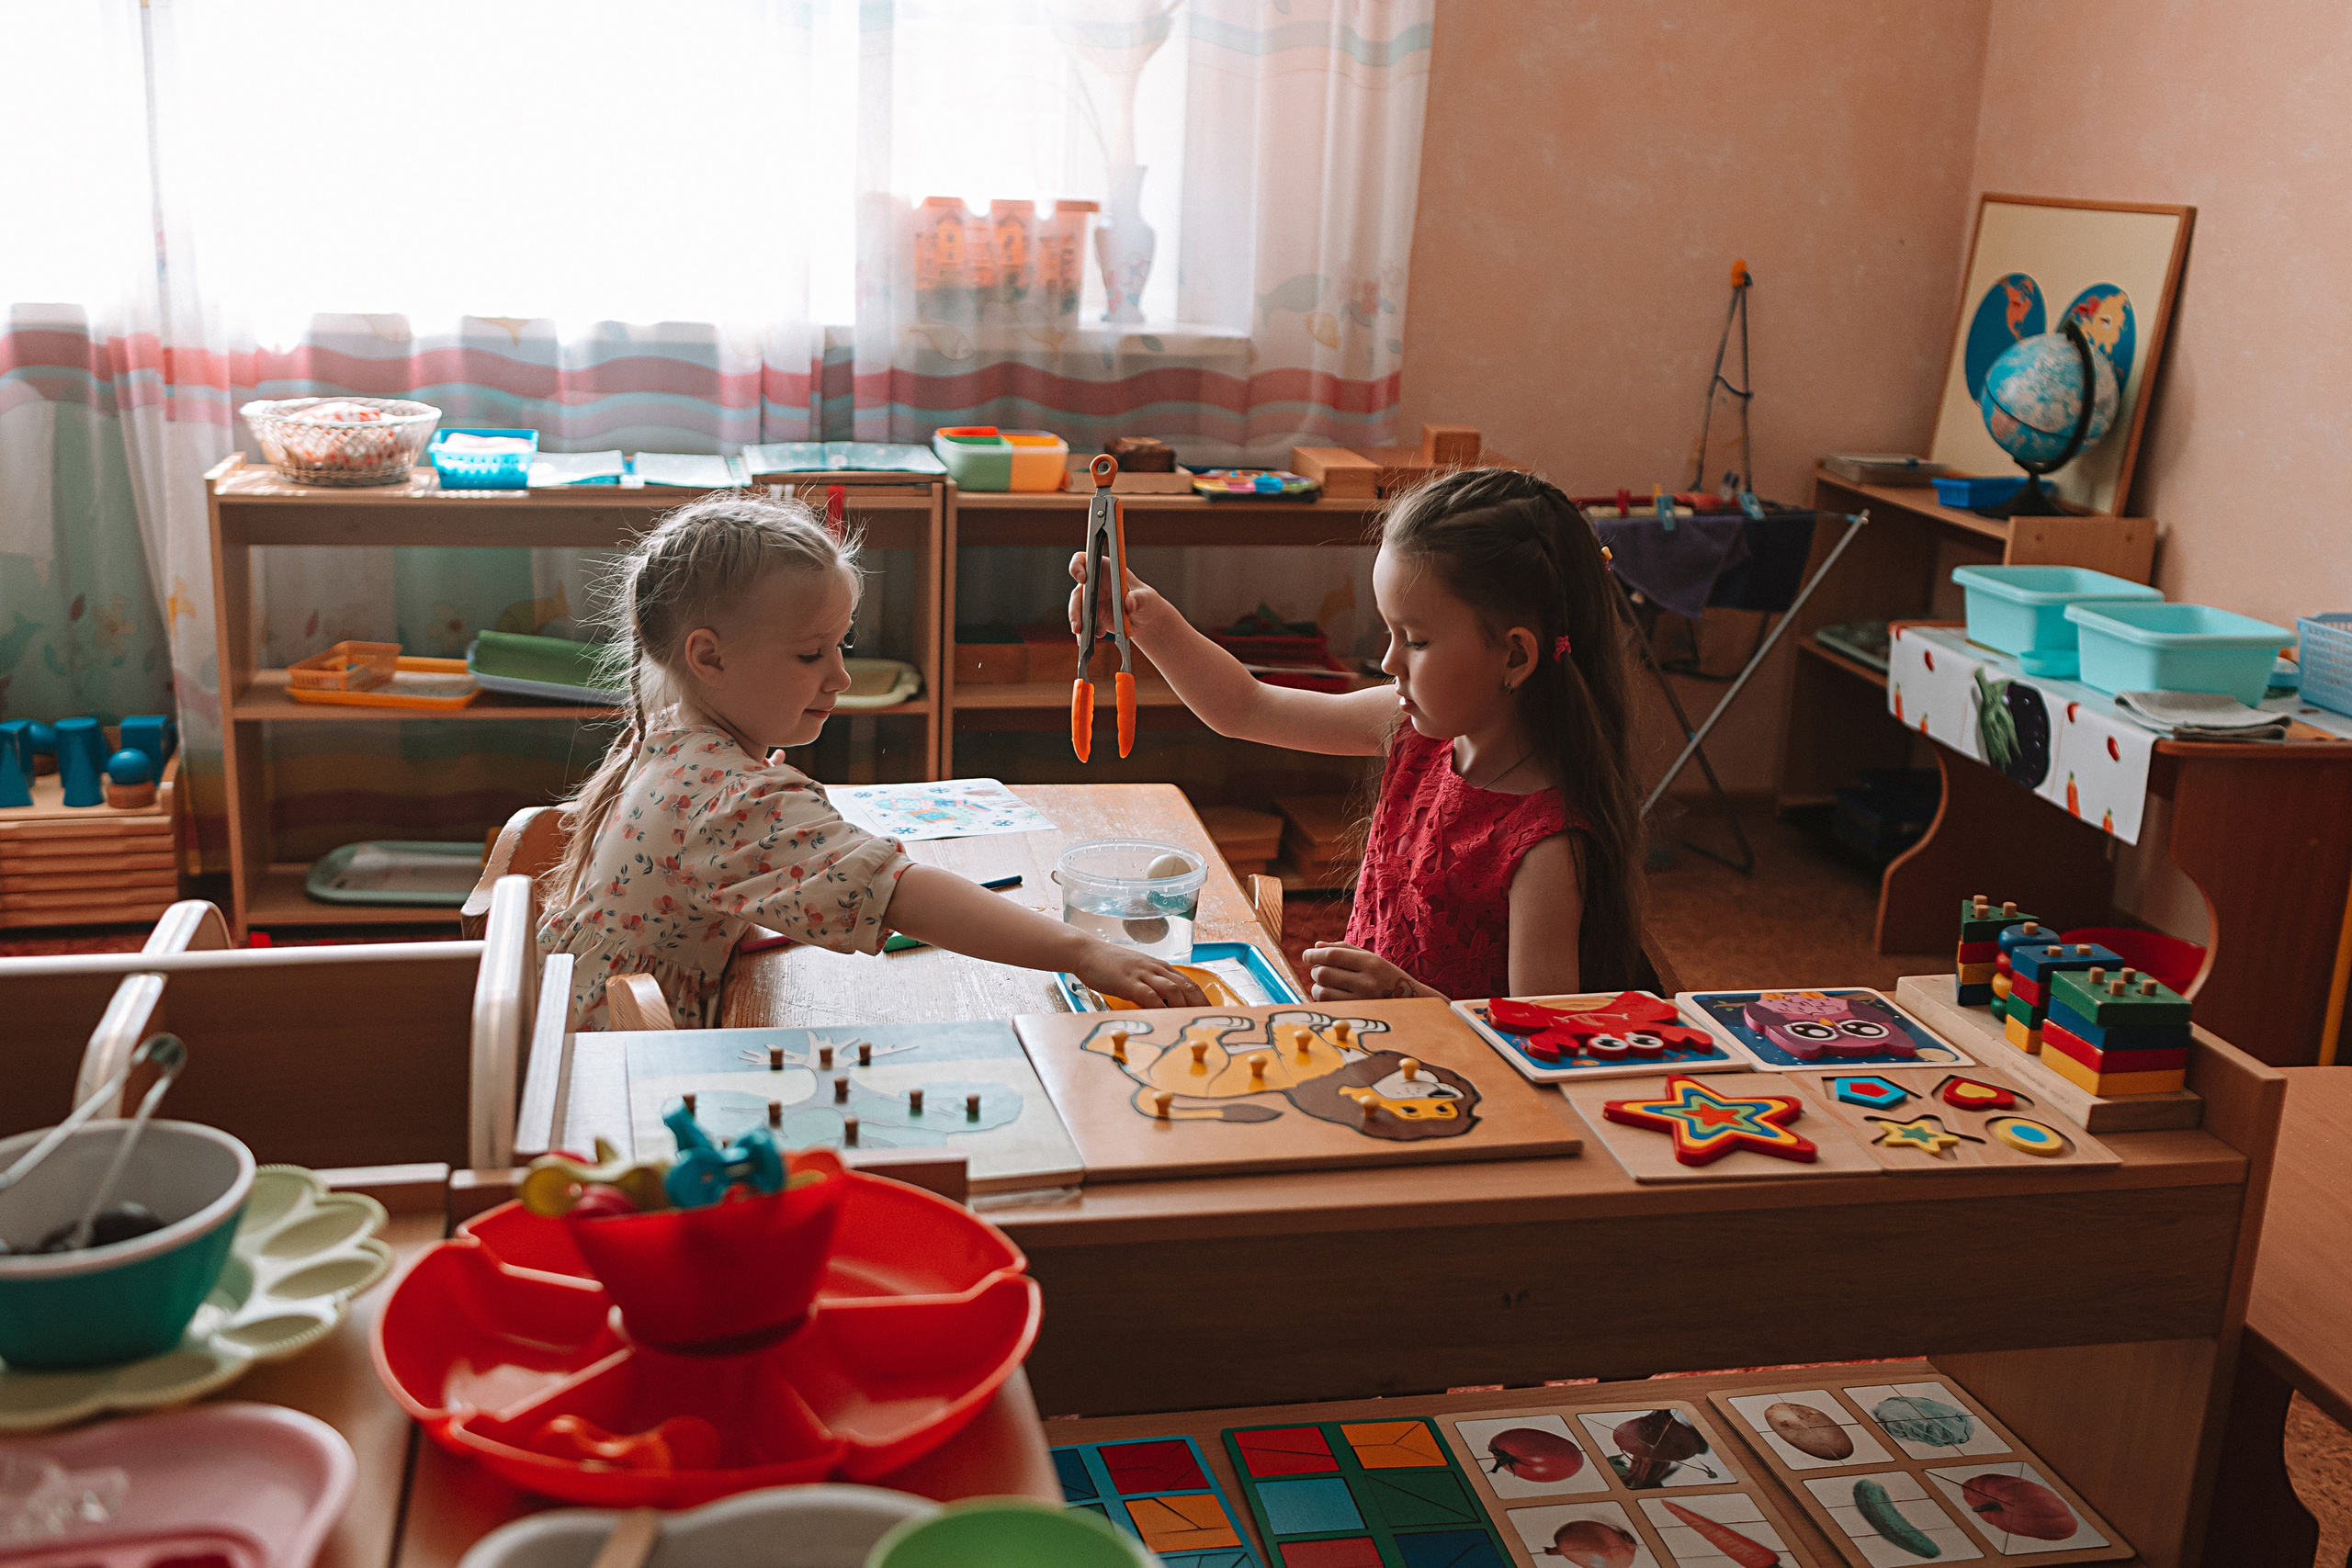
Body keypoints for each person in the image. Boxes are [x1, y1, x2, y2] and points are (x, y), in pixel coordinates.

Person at [543, 492, 1205, 1029]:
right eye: (811, 654)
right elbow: (901, 891)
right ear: (709, 657)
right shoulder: (723, 797)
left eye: (842, 644)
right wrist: (1083, 951)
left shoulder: (672, 738)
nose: (841, 677)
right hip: (624, 1086)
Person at [1071, 468, 1641, 1001]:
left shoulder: (1546, 847)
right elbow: (1244, 707)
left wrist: (1411, 1001)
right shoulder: (1409, 728)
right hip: (1373, 1056)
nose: (1389, 660)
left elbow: (1539, 1041)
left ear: (1514, 654)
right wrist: (1142, 617)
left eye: (1415, 639)